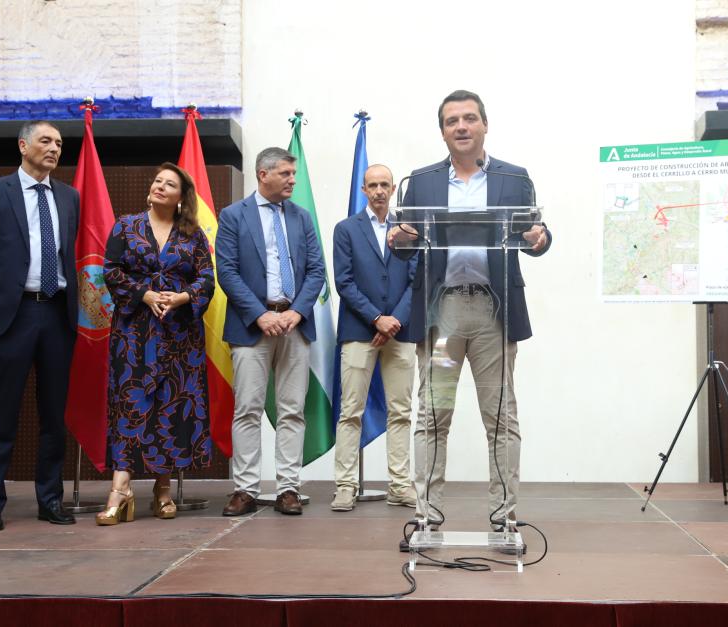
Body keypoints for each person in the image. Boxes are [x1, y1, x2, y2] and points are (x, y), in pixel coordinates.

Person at [389, 90, 551, 535]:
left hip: (491, 313)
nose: (460, 127)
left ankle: (504, 518)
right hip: (442, 315)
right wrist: (398, 238)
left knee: (500, 416)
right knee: (433, 415)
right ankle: (428, 515)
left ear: (484, 125)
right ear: (442, 131)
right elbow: (405, 240)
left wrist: (540, 237)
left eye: (469, 119)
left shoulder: (513, 178)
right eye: (451, 121)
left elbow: (535, 229)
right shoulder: (420, 182)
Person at [0, 120, 80, 531]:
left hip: (56, 315)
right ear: (22, 145)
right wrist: (2, 296)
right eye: (46, 141)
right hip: (10, 317)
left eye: (60, 144)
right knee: (1, 415)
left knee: (53, 417)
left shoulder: (69, 197)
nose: (54, 149)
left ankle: (50, 500)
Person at [96, 162, 215, 525]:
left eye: (170, 184)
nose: (160, 187)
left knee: (170, 405)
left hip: (179, 334)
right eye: (158, 181)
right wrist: (145, 294)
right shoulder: (126, 225)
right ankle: (121, 489)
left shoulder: (192, 234)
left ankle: (162, 490)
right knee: (132, 403)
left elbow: (207, 277)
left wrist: (181, 298)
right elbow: (111, 270)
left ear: (182, 197)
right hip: (134, 333)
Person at [216, 147, 326, 517]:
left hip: (295, 325)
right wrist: (260, 315)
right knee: (247, 408)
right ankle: (245, 489)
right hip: (251, 327)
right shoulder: (233, 216)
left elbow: (316, 271)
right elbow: (227, 271)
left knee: (293, 410)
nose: (293, 180)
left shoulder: (302, 217)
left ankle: (288, 488)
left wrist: (296, 312)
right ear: (263, 174)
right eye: (286, 174)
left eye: (294, 174)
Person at [331, 164, 418, 512]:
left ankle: (399, 484)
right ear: (364, 190)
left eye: (385, 184)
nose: (379, 191)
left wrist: (395, 319)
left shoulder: (409, 230)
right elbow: (344, 281)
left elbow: (418, 279)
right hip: (358, 330)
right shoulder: (346, 229)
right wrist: (376, 319)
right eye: (373, 185)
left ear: (393, 188)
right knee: (350, 411)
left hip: (402, 328)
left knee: (401, 411)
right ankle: (345, 485)